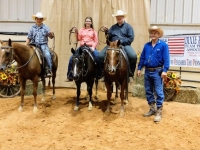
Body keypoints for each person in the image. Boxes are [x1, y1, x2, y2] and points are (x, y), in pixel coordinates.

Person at [137, 26, 170, 122]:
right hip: (147, 71)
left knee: (159, 91)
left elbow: (166, 59)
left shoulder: (163, 45)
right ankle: (152, 109)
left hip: (157, 71)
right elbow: (142, 58)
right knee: (148, 91)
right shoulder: (146, 45)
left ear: (159, 35)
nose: (153, 34)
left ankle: (159, 111)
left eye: (155, 33)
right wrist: (139, 68)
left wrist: (165, 70)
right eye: (152, 33)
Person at [98, 10, 137, 82]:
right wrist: (107, 32)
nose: (119, 19)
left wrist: (120, 41)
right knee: (100, 56)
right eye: (117, 17)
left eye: (120, 17)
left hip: (124, 45)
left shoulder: (128, 27)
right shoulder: (113, 27)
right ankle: (102, 74)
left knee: (133, 56)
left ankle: (130, 74)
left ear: (123, 17)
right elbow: (108, 38)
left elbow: (131, 38)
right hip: (112, 45)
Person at [66, 16, 99, 81]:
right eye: (87, 21)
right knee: (72, 58)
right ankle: (70, 75)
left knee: (98, 57)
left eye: (89, 21)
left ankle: (98, 74)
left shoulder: (93, 31)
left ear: (91, 22)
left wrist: (93, 47)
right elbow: (78, 39)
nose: (88, 22)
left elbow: (96, 41)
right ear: (85, 22)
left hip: (90, 47)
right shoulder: (81, 30)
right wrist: (76, 33)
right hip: (82, 47)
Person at [26, 12, 54, 77]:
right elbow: (29, 38)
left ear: (42, 20)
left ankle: (49, 69)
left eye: (40, 19)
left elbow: (51, 37)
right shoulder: (32, 28)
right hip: (33, 44)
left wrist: (51, 33)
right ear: (35, 19)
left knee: (47, 54)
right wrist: (25, 45)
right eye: (37, 19)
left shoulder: (46, 28)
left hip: (43, 44)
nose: (39, 20)